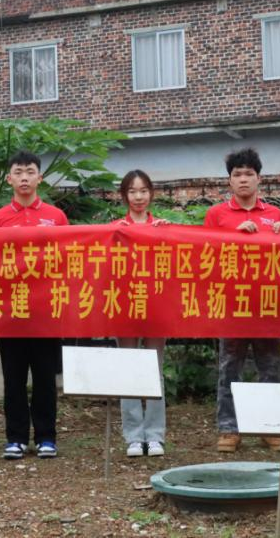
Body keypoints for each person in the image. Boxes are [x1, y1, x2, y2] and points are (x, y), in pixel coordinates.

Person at [203, 148, 280, 453]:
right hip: (231, 303)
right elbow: (204, 256)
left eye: (249, 174)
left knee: (270, 368)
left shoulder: (275, 215)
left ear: (259, 179)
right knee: (229, 368)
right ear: (229, 181)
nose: (243, 179)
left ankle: (269, 426)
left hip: (266, 302)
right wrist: (234, 237)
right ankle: (229, 428)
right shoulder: (216, 215)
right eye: (237, 174)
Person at [0, 151, 69, 460]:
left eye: (30, 172)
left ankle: (47, 437)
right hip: (10, 311)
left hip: (46, 310)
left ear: (40, 177)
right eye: (18, 172)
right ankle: (16, 438)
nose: (24, 177)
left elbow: (67, 258)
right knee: (14, 378)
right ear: (9, 179)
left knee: (45, 378)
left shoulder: (56, 216)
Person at [111, 170, 170, 458]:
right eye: (132, 191)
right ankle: (134, 436)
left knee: (154, 369)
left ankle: (155, 435)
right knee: (128, 369)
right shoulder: (114, 229)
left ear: (151, 194)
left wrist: (168, 233)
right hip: (124, 306)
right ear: (124, 195)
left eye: (143, 190)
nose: (138, 197)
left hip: (156, 305)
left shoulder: (162, 227)